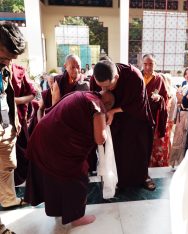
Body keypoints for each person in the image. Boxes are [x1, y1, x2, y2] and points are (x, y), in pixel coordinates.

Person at [24, 90, 114, 226]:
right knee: (78, 175)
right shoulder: (97, 104)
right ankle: (76, 218)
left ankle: (58, 210)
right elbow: (100, 139)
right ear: (107, 104)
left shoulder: (81, 94)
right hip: (55, 143)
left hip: (41, 136)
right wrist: (105, 128)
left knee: (53, 177)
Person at [90, 60, 155, 190]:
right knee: (117, 150)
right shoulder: (95, 77)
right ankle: (116, 179)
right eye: (101, 86)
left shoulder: (133, 76)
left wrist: (114, 111)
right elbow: (95, 99)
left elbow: (139, 102)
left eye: (108, 86)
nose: (104, 90)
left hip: (134, 118)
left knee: (138, 149)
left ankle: (143, 176)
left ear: (116, 77)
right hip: (112, 121)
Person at [0, 21, 27, 210]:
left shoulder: (5, 68)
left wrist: (14, 121)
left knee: (7, 166)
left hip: (5, 126)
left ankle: (8, 199)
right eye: (6, 57)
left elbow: (8, 95)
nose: (9, 62)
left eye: (12, 59)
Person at [37, 54, 89, 121]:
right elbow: (45, 109)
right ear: (65, 66)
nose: (76, 70)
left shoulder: (84, 82)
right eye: (72, 67)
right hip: (59, 121)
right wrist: (41, 123)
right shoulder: (58, 82)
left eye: (78, 67)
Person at [142, 54, 169, 168]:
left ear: (155, 65)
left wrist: (159, 98)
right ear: (141, 64)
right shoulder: (137, 76)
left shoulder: (159, 79)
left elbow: (165, 96)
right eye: (145, 64)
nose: (148, 67)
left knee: (148, 144)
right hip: (136, 115)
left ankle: (146, 168)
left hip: (151, 117)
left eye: (151, 64)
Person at [11, 63, 36, 186]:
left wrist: (14, 101)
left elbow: (33, 93)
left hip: (18, 118)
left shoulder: (19, 70)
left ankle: (21, 181)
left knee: (21, 151)